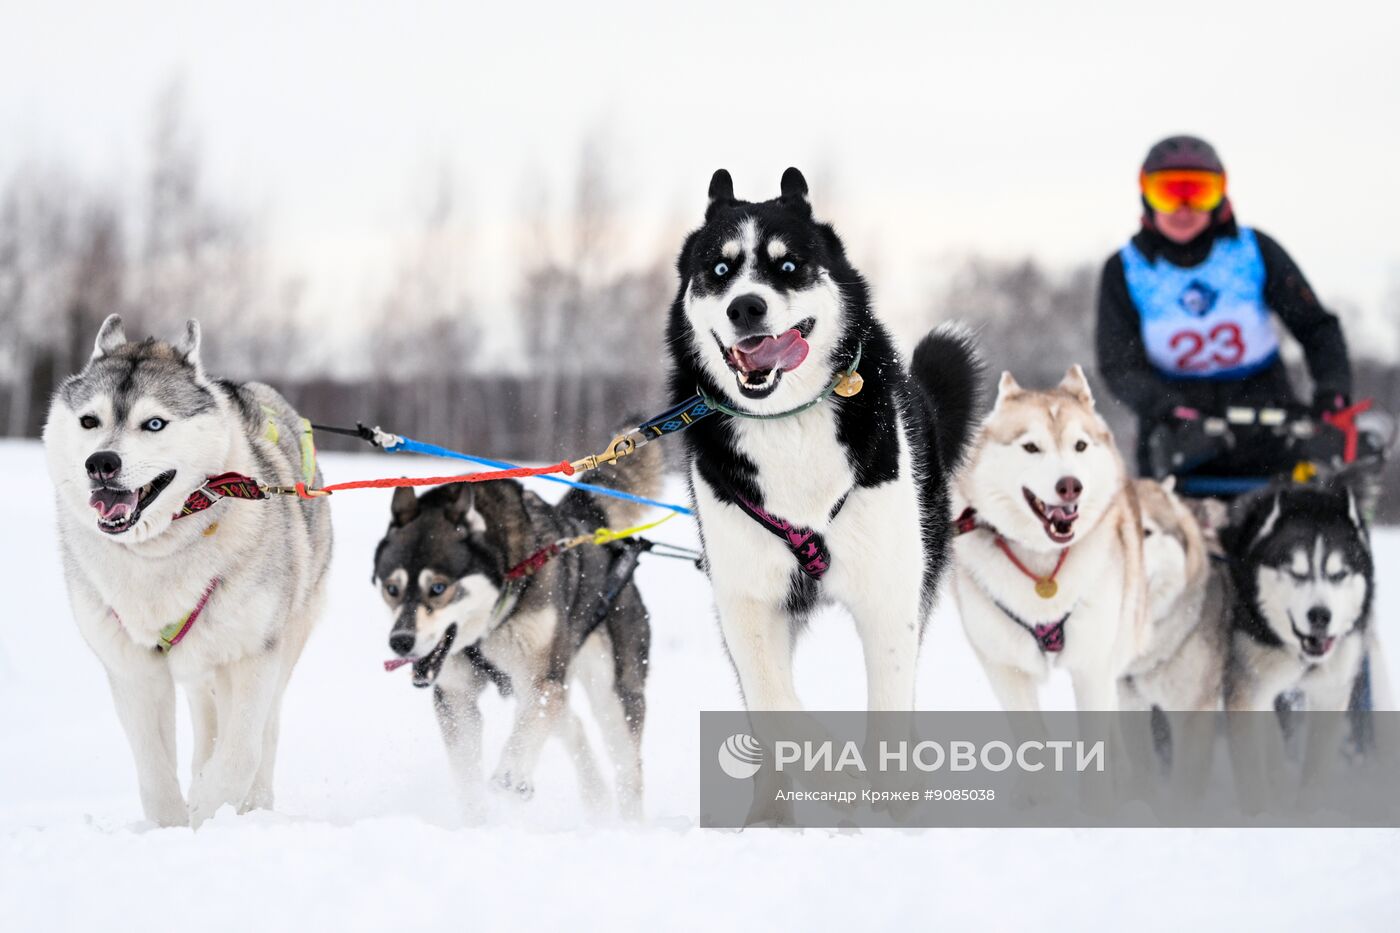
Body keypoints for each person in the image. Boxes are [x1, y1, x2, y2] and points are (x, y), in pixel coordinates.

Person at [1095, 135, 1353, 484]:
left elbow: (1316, 327)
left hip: (1268, 425)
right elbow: (1118, 363)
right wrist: (1167, 408)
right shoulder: (1125, 269)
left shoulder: (1254, 251)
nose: (1183, 209)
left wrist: (1332, 392)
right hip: (1176, 436)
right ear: (1145, 194)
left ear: (1221, 194)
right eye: (1168, 193)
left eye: (1199, 192)